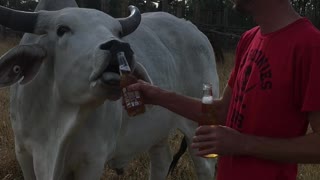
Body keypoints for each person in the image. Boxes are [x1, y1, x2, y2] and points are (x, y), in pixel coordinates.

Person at [126, 0, 320, 179]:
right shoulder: (249, 38)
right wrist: (156, 95)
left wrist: (242, 144)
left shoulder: (311, 45)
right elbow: (221, 111)